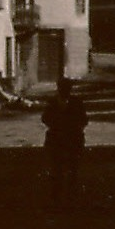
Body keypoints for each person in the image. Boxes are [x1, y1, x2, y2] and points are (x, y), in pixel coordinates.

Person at [42, 77, 89, 208]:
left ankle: (71, 199)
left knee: (72, 170)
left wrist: (74, 128)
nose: (64, 91)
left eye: (67, 89)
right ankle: (56, 199)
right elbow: (45, 118)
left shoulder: (77, 103)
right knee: (56, 171)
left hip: (73, 140)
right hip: (56, 140)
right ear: (59, 89)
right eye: (62, 88)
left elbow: (84, 120)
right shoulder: (52, 103)